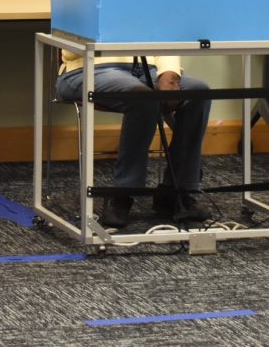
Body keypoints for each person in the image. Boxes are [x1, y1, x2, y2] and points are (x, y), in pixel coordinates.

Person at [56, 52, 212, 228]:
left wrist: (169, 73)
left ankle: (176, 192)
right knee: (142, 98)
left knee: (198, 92)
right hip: (89, 68)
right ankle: (123, 192)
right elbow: (72, 45)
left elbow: (162, 37)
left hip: (146, 70)